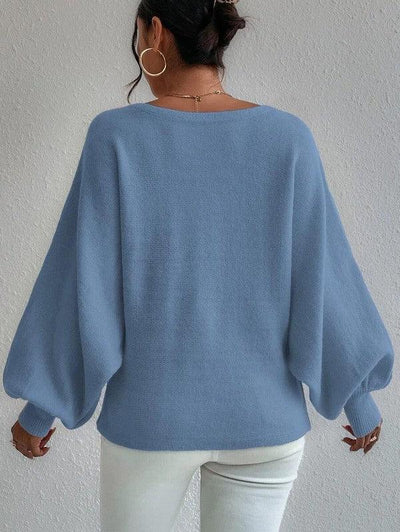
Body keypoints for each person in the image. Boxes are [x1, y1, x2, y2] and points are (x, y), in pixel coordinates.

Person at [3, 1, 394, 531]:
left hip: (150, 422)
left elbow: (79, 282)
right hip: (264, 425)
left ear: (155, 32)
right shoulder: (288, 138)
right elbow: (324, 278)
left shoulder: (115, 137)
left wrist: (39, 410)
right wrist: (358, 401)